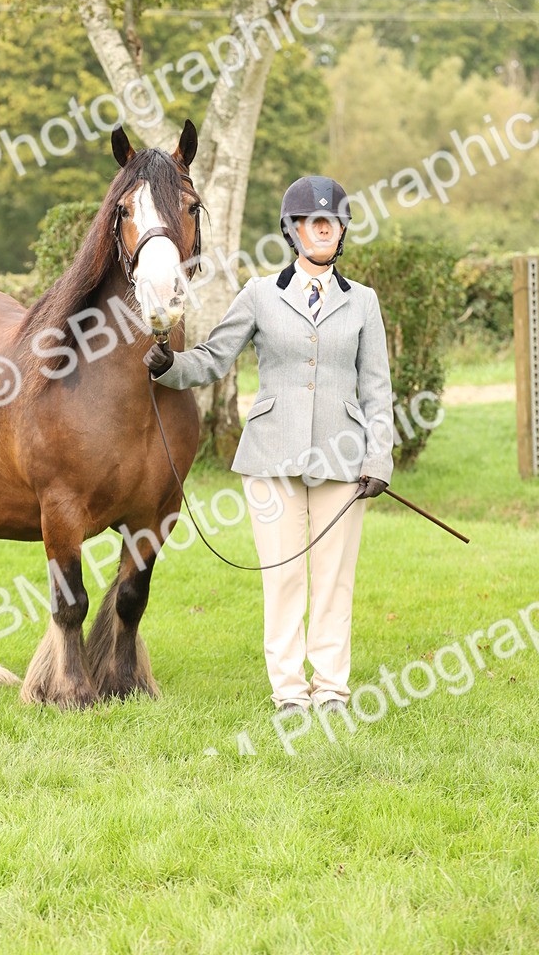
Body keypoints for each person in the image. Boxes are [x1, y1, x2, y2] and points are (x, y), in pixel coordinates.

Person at [144, 175, 394, 718]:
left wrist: (379, 458)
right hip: (270, 456)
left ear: (344, 230)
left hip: (343, 459)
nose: (322, 228)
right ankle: (288, 692)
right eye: (311, 220)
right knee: (283, 577)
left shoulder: (364, 303)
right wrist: (170, 368)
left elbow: (377, 389)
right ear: (292, 229)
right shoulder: (259, 293)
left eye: (332, 221)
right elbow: (212, 358)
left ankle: (330, 687)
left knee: (333, 579)